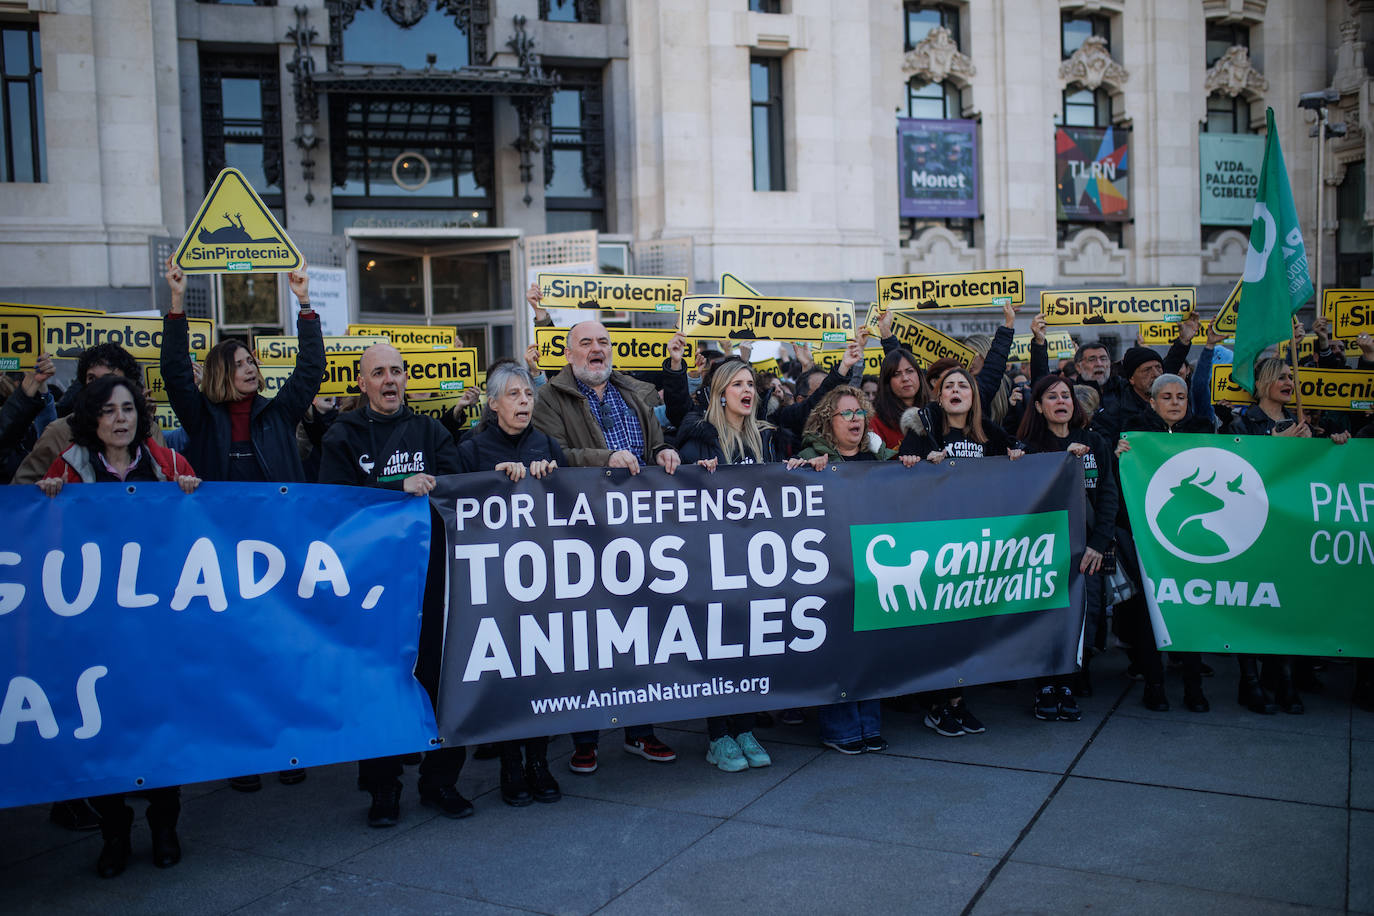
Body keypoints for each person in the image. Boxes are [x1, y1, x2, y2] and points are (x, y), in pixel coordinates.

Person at [162, 256, 322, 791]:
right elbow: (174, 373)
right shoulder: (200, 417)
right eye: (239, 362)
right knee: (236, 653)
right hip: (221, 557)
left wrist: (304, 304)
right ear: (221, 374)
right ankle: (243, 752)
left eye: (253, 360)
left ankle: (286, 744)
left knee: (280, 648)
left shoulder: (278, 415)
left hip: (277, 553)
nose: (251, 368)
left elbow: (310, 372)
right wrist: (179, 304)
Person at [36, 375, 201, 878]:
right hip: (96, 631)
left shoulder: (167, 464)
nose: (120, 418)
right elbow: (41, 537)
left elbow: (202, 532)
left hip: (156, 629)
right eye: (108, 411)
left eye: (128, 408)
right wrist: (48, 501)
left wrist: (191, 493)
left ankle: (165, 827)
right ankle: (115, 835)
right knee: (105, 732)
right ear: (92, 419)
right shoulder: (69, 468)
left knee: (158, 725)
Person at [318, 343, 471, 826]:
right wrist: (394, 488)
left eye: (397, 372)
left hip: (431, 578)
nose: (390, 380)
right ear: (362, 383)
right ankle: (383, 789)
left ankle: (440, 781)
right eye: (379, 373)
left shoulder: (429, 429)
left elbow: (459, 486)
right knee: (379, 684)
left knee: (443, 679)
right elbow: (331, 501)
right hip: (373, 588)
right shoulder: (342, 435)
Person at [530, 319, 682, 773]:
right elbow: (552, 455)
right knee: (591, 634)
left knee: (642, 629)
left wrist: (664, 452)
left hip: (639, 530)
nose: (596, 350)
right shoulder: (549, 397)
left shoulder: (633, 391)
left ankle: (641, 731)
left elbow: (655, 441)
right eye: (586, 343)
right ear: (569, 351)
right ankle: (586, 737)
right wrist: (604, 460)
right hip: (586, 531)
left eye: (603, 342)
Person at [454, 361, 565, 806]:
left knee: (539, 670)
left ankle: (539, 761)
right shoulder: (473, 449)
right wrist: (491, 484)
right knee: (504, 673)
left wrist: (551, 478)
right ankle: (510, 764)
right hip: (494, 581)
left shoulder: (547, 444)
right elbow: (458, 506)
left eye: (528, 395)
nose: (524, 402)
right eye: (515, 395)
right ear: (494, 402)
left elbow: (570, 501)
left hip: (543, 575)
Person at [792, 386, 919, 753]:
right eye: (845, 414)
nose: (854, 420)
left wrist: (909, 465)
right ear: (827, 423)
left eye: (859, 413)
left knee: (870, 648)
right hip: (831, 572)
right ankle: (839, 727)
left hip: (868, 572)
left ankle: (868, 723)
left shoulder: (880, 458)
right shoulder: (809, 458)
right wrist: (806, 472)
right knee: (839, 649)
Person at [897, 367, 1021, 736]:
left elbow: (1022, 452)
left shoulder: (988, 434)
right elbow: (895, 475)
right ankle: (936, 704)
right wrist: (913, 463)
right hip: (935, 546)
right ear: (938, 397)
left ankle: (957, 701)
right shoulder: (922, 432)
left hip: (976, 548)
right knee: (940, 631)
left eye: (962, 385)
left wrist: (1021, 452)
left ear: (973, 396)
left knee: (967, 630)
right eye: (948, 386)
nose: (955, 390)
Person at [1226, 357, 1348, 714]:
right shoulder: (1241, 424)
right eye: (1281, 376)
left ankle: (1283, 678)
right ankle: (1249, 683)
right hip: (1250, 530)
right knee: (1252, 605)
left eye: (1291, 376)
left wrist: (1334, 444)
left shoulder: (1303, 424)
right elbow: (1235, 474)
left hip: (1289, 532)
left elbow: (1314, 475)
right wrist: (1271, 443)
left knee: (1286, 606)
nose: (1289, 381)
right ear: (1263, 382)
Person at [675, 359, 779, 771]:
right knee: (720, 647)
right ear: (720, 392)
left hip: (758, 560)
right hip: (714, 560)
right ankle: (719, 736)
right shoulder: (699, 440)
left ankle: (746, 728)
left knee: (754, 645)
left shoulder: (767, 439)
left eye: (750, 383)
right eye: (737, 384)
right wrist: (692, 474)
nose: (746, 390)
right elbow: (677, 494)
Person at [1017, 375, 1117, 722]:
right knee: (1046, 618)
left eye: (1066, 396)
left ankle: (1068, 683)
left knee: (1081, 619)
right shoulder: (1028, 447)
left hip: (1086, 550)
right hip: (1044, 552)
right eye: (1052, 396)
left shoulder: (1094, 442)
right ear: (1039, 406)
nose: (1061, 401)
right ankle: (1045, 685)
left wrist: (1098, 544)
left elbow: (1107, 494)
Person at [1113, 374, 1212, 713]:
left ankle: (1194, 686)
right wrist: (1118, 454)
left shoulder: (1202, 432)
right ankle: (1154, 684)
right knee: (1148, 612)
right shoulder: (1133, 432)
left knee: (1191, 607)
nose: (1174, 402)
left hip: (1190, 539)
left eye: (1180, 397)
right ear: (1152, 402)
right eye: (1166, 396)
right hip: (1147, 537)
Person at [13, 344, 165, 486]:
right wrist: (48, 491)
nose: (98, 387)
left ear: (128, 385)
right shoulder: (58, 433)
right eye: (91, 378)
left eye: (108, 379)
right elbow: (20, 495)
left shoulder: (149, 429)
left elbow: (166, 481)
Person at [869, 348, 927, 449]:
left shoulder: (935, 411)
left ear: (919, 375)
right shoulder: (876, 420)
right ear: (887, 382)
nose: (905, 378)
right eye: (897, 374)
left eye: (910, 371)